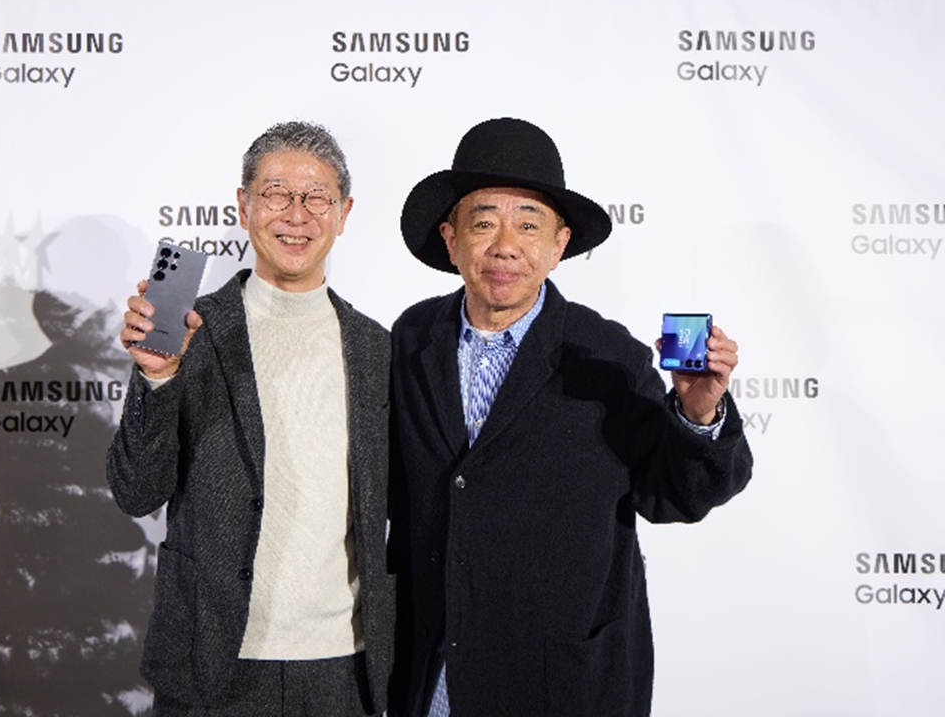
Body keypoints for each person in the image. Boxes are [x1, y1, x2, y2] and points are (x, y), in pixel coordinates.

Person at [385, 117, 754, 716]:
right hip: (435, 673)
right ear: (450, 239)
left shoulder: (606, 355)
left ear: (559, 245)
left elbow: (674, 496)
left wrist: (697, 410)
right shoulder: (411, 337)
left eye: (529, 224)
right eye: (484, 222)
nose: (505, 245)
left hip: (561, 684)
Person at [107, 121, 393, 716]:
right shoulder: (189, 332)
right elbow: (137, 492)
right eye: (276, 194)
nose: (297, 215)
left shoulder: (377, 348)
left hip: (344, 667)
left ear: (344, 213)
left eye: (317, 197)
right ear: (243, 206)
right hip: (210, 659)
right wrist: (157, 379)